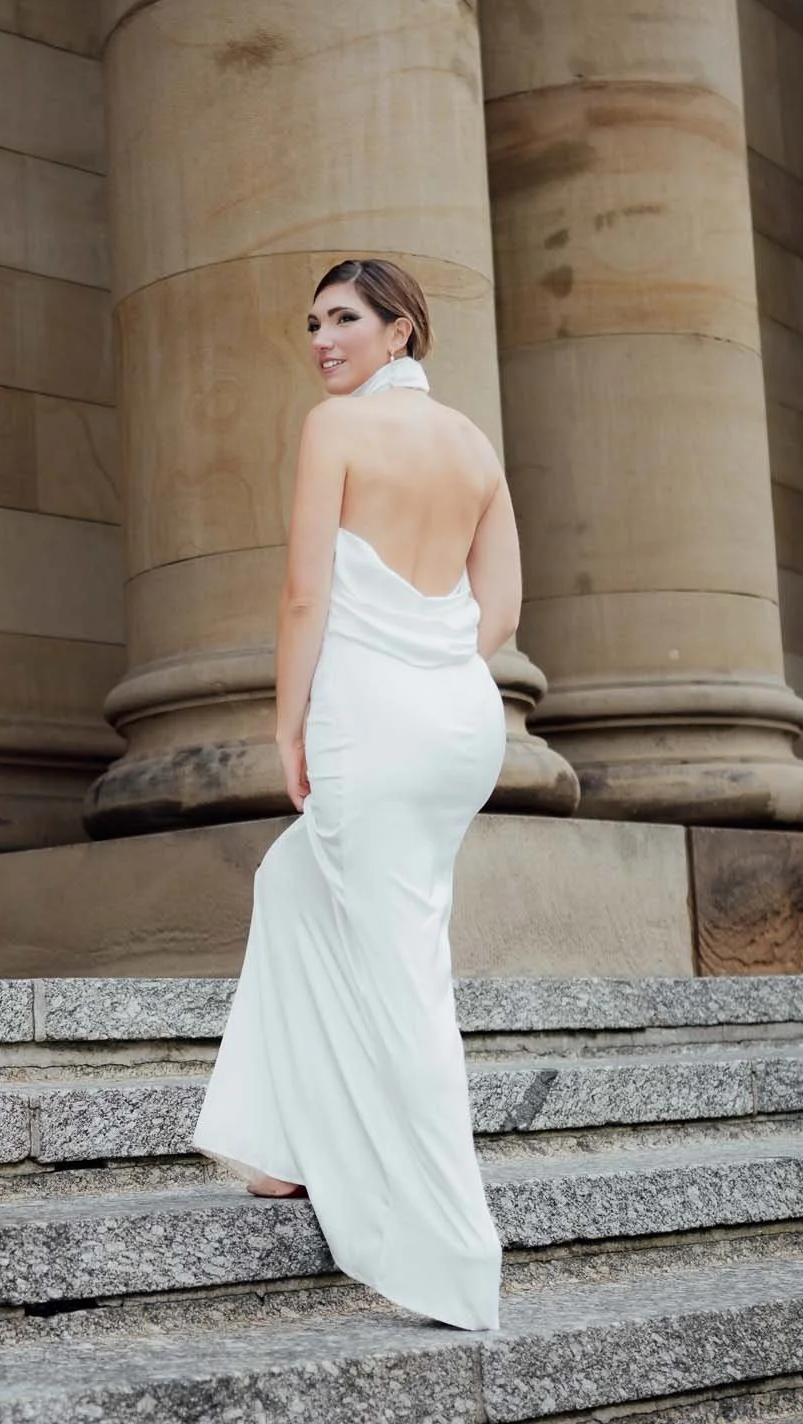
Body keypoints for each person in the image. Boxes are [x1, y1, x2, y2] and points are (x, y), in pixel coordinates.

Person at [190, 255, 520, 1332]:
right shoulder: (472, 443)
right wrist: (432, 672)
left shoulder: (333, 428)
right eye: (314, 322)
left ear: (400, 330)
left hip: (372, 717)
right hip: (457, 717)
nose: (323, 339)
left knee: (403, 966)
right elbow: (503, 608)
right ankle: (280, 1147)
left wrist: (290, 723)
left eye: (345, 319)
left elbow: (303, 591)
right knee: (292, 882)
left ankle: (452, 1255)